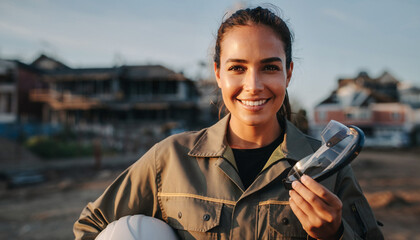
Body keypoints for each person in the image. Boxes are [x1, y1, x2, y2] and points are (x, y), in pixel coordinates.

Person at [74, 6, 383, 240]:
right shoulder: (169, 159)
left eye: (269, 68)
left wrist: (335, 234)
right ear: (218, 73)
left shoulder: (327, 169)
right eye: (237, 68)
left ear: (288, 73)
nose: (253, 85)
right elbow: (91, 226)